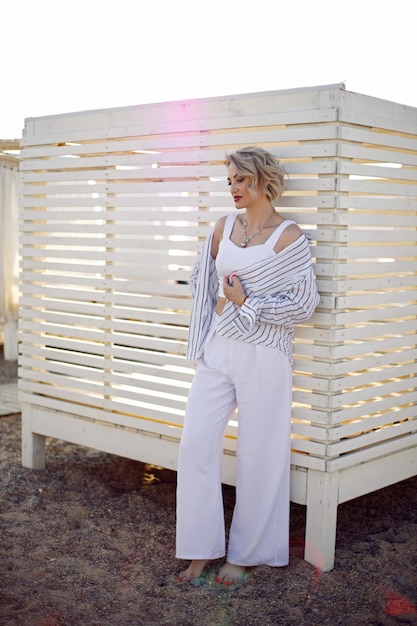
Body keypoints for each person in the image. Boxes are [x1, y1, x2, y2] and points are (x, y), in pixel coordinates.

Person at [176, 146, 320, 586]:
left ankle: (246, 553)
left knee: (259, 455)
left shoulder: (289, 236)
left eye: (242, 180)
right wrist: (203, 337)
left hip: (265, 357)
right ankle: (201, 548)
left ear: (263, 180)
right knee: (196, 443)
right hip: (220, 350)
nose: (234, 188)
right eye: (230, 181)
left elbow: (305, 304)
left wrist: (247, 302)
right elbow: (204, 285)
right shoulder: (222, 227)